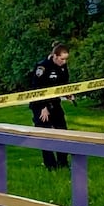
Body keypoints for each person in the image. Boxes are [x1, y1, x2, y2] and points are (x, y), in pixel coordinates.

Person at [29, 42, 71, 170]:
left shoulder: (63, 67)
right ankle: (50, 165)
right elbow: (36, 88)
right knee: (45, 134)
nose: (64, 62)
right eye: (62, 59)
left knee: (62, 132)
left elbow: (64, 82)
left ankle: (63, 163)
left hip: (54, 102)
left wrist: (68, 94)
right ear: (54, 56)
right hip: (39, 105)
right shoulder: (43, 67)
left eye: (66, 59)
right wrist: (43, 107)